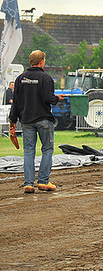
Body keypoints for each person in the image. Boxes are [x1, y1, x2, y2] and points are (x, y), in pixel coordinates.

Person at [9, 50, 60, 194]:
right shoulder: (46, 78)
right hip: (43, 119)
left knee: (29, 151)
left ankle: (28, 184)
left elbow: (16, 102)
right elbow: (48, 98)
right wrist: (58, 99)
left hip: (26, 120)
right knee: (47, 149)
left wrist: (12, 120)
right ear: (42, 61)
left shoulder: (20, 78)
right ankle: (43, 181)